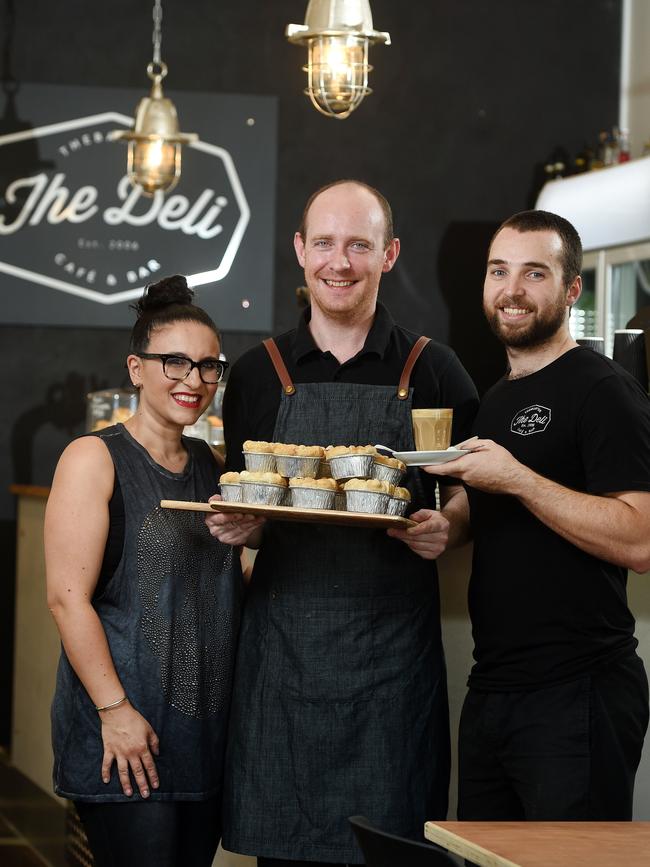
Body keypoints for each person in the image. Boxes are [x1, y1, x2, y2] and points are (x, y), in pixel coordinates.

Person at [206, 179, 479, 865]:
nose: (340, 261)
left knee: (390, 852)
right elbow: (257, 501)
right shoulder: (256, 375)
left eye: (359, 244)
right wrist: (247, 528)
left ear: (388, 254)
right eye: (324, 242)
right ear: (300, 251)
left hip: (392, 672)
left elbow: (481, 483)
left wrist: (452, 525)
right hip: (282, 664)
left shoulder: (435, 370)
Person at [425, 210, 650, 821]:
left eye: (534, 273)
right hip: (494, 686)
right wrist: (448, 526)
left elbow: (640, 540)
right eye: (499, 271)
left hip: (579, 689)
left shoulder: (605, 391)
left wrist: (520, 480)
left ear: (572, 289)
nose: (512, 290)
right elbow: (488, 500)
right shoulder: (497, 397)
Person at [45, 275, 254, 867]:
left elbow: (214, 588)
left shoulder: (214, 469)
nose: (195, 380)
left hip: (200, 743)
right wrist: (116, 713)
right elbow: (66, 599)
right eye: (176, 362)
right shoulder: (95, 458)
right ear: (136, 368)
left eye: (209, 366)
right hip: (128, 736)